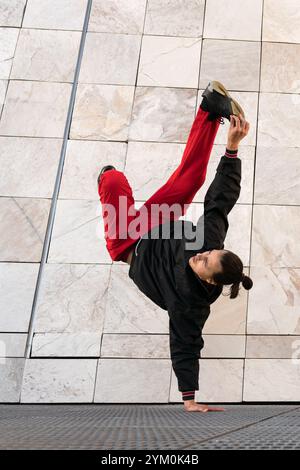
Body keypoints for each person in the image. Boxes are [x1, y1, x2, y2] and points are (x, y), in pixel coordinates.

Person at [97, 81, 253, 413]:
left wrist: (190, 399)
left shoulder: (189, 305)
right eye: (208, 252)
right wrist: (232, 150)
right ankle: (209, 109)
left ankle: (104, 176)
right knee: (192, 180)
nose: (202, 254)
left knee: (113, 181)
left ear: (209, 280)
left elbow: (186, 345)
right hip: (157, 222)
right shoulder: (210, 244)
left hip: (128, 242)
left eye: (204, 261)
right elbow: (220, 201)